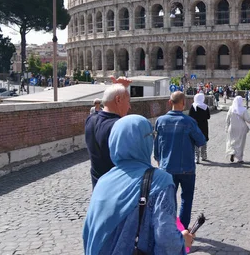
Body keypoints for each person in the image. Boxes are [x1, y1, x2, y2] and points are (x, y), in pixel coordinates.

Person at [83, 115, 193, 255]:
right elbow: (167, 241)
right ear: (146, 140)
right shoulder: (160, 181)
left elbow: (88, 234)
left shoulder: (103, 181)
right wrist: (183, 241)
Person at [154, 91, 207, 229]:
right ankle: (182, 230)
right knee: (186, 199)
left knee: (168, 200)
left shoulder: (160, 121)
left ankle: (169, 228)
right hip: (187, 167)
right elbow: (201, 140)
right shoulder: (189, 122)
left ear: (169, 102)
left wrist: (159, 159)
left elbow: (156, 144)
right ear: (184, 103)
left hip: (167, 167)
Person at [85, 77, 132, 188]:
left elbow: (105, 112)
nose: (129, 106)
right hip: (117, 188)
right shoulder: (119, 126)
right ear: (118, 100)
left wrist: (119, 88)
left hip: (98, 187)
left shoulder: (90, 120)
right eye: (128, 102)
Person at [225, 96, 250, 163]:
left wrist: (227, 127)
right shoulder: (243, 109)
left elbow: (227, 119)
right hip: (241, 128)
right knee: (240, 143)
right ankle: (239, 158)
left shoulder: (231, 108)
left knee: (232, 141)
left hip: (232, 127)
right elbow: (247, 119)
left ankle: (232, 152)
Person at [189, 92, 210, 164]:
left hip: (195, 126)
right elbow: (208, 117)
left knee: (195, 140)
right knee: (204, 139)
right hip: (204, 126)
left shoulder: (193, 106)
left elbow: (190, 116)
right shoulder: (205, 107)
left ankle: (196, 157)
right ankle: (204, 155)